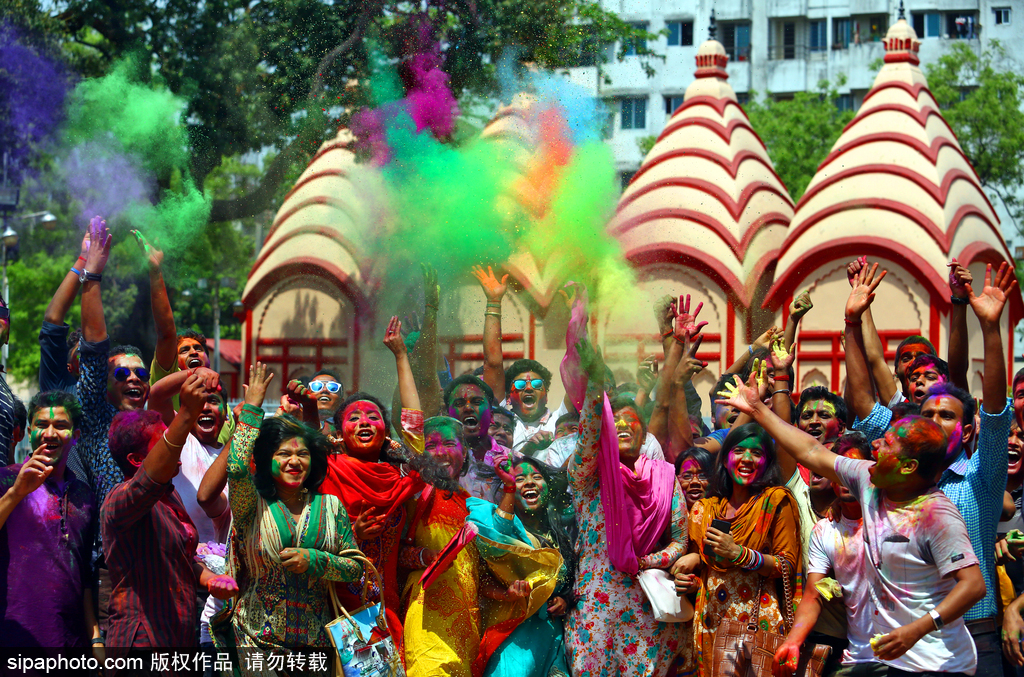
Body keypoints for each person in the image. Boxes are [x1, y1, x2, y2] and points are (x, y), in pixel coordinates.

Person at [717, 373, 986, 677]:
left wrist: (917, 629)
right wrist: (756, 410)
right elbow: (811, 452)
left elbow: (974, 585)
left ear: (908, 467)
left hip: (938, 665)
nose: (876, 445)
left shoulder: (936, 514)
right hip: (882, 662)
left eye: (887, 444)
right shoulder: (869, 478)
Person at [847, 261, 1015, 677]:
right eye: (927, 413)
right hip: (905, 645)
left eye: (946, 415)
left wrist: (989, 329)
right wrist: (852, 320)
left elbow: (995, 412)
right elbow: (865, 405)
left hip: (976, 635)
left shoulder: (981, 478)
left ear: (968, 428)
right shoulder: (897, 469)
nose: (934, 420)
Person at [319, 316, 457, 656]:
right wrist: (352, 534)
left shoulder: (398, 479)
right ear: (338, 433)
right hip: (331, 612)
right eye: (354, 417)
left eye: (372, 417)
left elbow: (413, 422)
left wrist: (400, 355)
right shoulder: (325, 472)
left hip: (385, 613)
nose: (364, 422)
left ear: (384, 430)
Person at [564, 339, 687, 677]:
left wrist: (646, 561)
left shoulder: (664, 477)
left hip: (646, 603)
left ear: (643, 431)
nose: (621, 425)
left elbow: (680, 540)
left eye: (630, 420)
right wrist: (594, 385)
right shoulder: (589, 473)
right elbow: (588, 433)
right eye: (613, 420)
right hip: (595, 605)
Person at [224, 362, 363, 656]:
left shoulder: (330, 506)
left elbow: (355, 569)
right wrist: (252, 408)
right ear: (268, 461)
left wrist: (315, 560)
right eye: (284, 454)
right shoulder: (253, 505)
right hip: (255, 643)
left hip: (315, 647)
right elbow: (237, 469)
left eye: (302, 454)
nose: (294, 461)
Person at [102, 372, 237, 653]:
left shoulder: (169, 497)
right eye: (164, 443)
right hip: (141, 646)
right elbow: (147, 480)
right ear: (138, 460)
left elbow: (184, 561)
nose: (176, 448)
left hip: (178, 640)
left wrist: (213, 580)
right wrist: (187, 411)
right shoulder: (120, 501)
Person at [672, 423, 801, 677]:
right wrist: (690, 581)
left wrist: (740, 554)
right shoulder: (705, 510)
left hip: (756, 624)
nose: (747, 459)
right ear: (725, 458)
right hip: (710, 623)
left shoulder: (774, 501)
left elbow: (787, 565)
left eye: (757, 453)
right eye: (739, 450)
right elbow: (708, 574)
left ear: (767, 461)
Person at [0, 391, 100, 653]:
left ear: (76, 436)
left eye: (61, 426)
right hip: (14, 641)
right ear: (29, 431)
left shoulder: (85, 496)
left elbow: (85, 573)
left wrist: (95, 637)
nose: (50, 433)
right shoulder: (5, 481)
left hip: (71, 646)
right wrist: (17, 493)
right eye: (42, 425)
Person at [469, 454, 577, 677]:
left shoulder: (562, 536)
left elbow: (571, 581)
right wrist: (508, 486)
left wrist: (564, 600)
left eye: (536, 477)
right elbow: (499, 535)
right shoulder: (509, 531)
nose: (529, 482)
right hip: (516, 634)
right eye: (520, 479)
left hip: (553, 636)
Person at [773, 438, 873, 677]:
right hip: (858, 655)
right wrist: (793, 641)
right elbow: (814, 593)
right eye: (840, 470)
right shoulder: (825, 530)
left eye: (854, 468)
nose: (847, 478)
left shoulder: (889, 514)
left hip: (908, 656)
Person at [148, 366, 231, 651]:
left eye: (215, 401)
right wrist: (195, 372)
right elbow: (157, 395)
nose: (206, 407)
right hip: (182, 581)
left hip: (229, 587)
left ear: (227, 413)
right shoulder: (181, 443)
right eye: (200, 400)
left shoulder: (238, 452)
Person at [402, 416, 482, 677]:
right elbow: (392, 552)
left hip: (466, 627)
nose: (441, 452)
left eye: (449, 443)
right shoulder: (415, 490)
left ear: (465, 451)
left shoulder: (471, 504)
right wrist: (424, 556)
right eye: (431, 445)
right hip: (427, 617)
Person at [443, 374, 509, 501]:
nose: (468, 408)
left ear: (491, 416)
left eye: (477, 402)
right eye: (459, 403)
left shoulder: (514, 461)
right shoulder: (439, 460)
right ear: (447, 416)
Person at [675, 446, 713, 511]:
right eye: (687, 476)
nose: (694, 481)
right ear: (677, 480)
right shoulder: (668, 517)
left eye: (702, 476)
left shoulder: (723, 514)